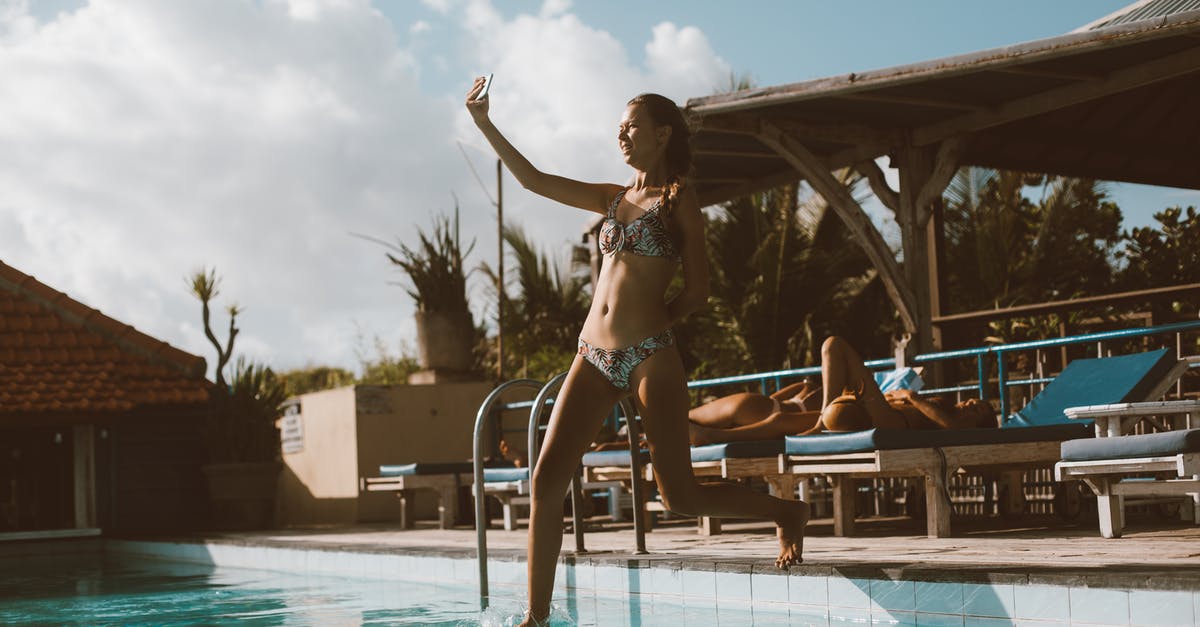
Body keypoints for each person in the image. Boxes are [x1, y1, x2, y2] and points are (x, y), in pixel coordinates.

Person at [466, 80, 810, 626]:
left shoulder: (679, 201)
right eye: (619, 127)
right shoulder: (611, 199)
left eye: (631, 126)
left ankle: (786, 511)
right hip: (592, 356)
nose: (621, 135)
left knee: (680, 495)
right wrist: (485, 123)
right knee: (546, 479)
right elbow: (534, 181)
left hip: (650, 355)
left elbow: (698, 291)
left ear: (662, 134)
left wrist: (651, 327)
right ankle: (536, 618)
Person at [688, 336, 997, 446]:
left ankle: (823, 419)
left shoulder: (952, 420)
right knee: (778, 425)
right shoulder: (947, 406)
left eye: (978, 409)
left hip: (890, 422)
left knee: (834, 344)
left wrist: (910, 396)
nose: (971, 402)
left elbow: (952, 428)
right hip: (867, 412)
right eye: (976, 400)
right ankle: (714, 437)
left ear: (977, 425)